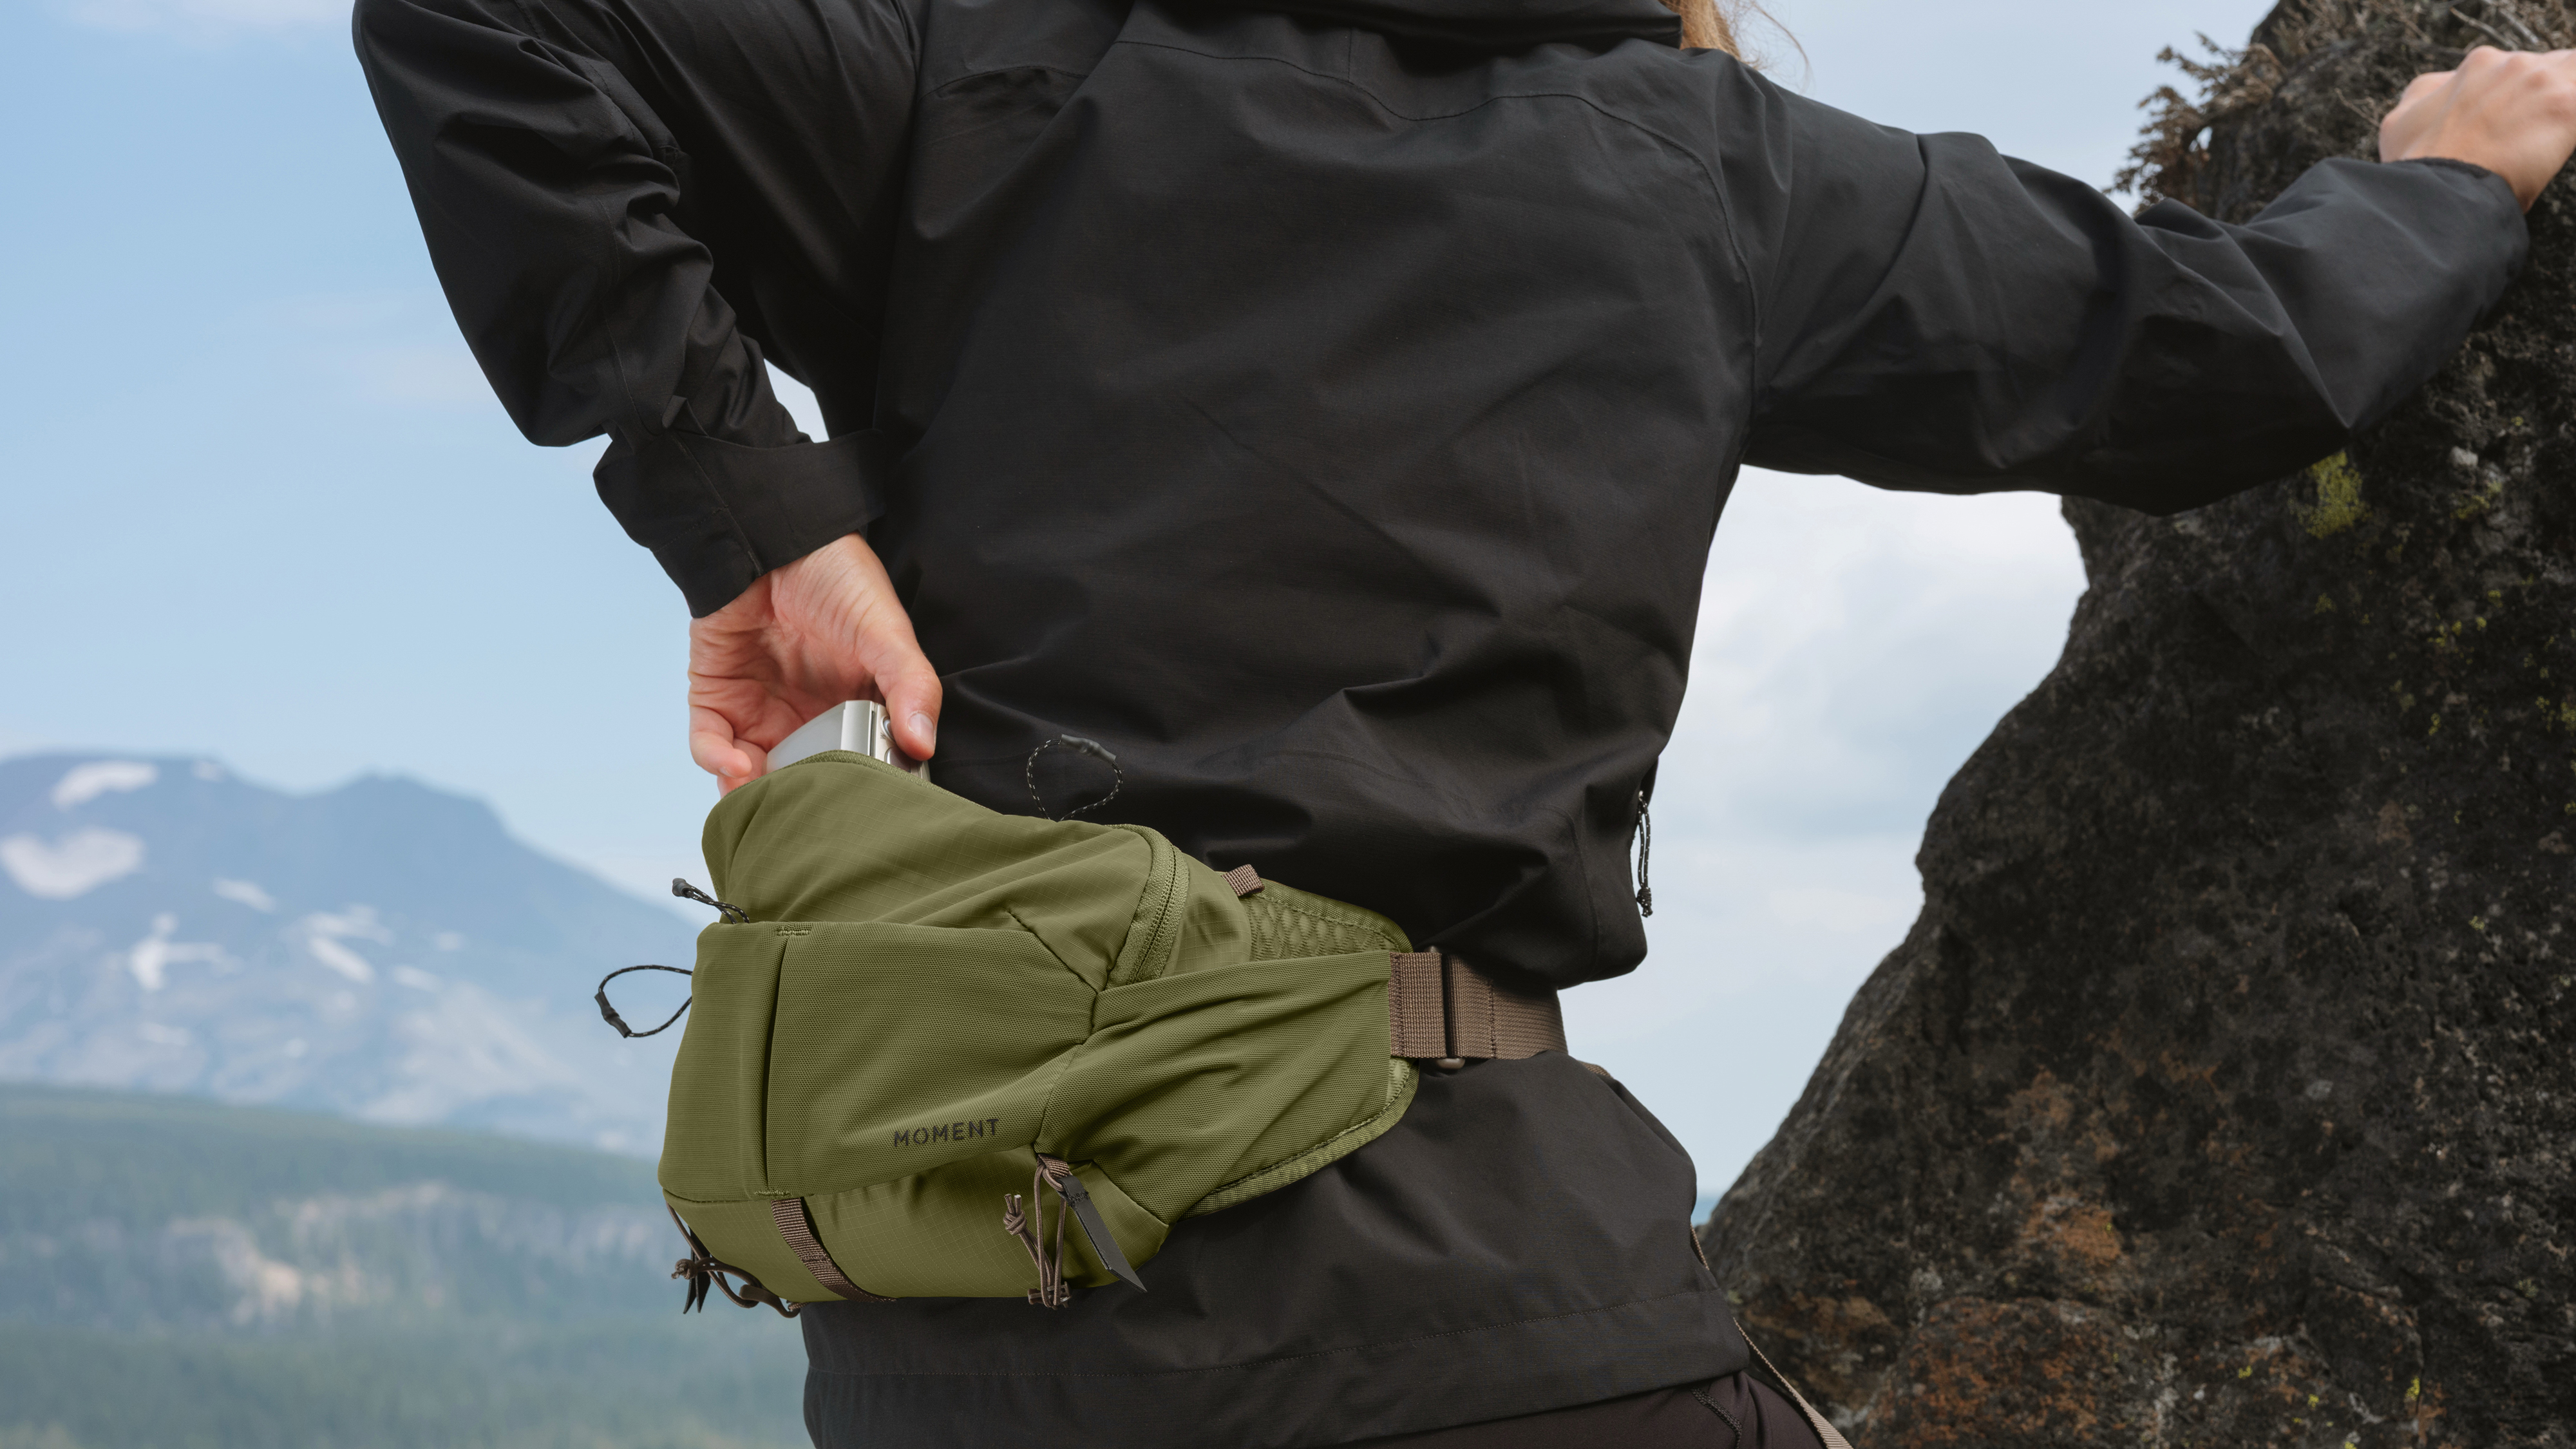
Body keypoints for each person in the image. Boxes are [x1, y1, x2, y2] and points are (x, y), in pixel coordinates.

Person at [352, 0, 2576, 1441]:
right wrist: (2447, 180)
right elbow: (2212, 350)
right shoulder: (1717, 168)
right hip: (1445, 1312)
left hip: (954, 1310)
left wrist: (748, 510)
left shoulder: (976, 80)